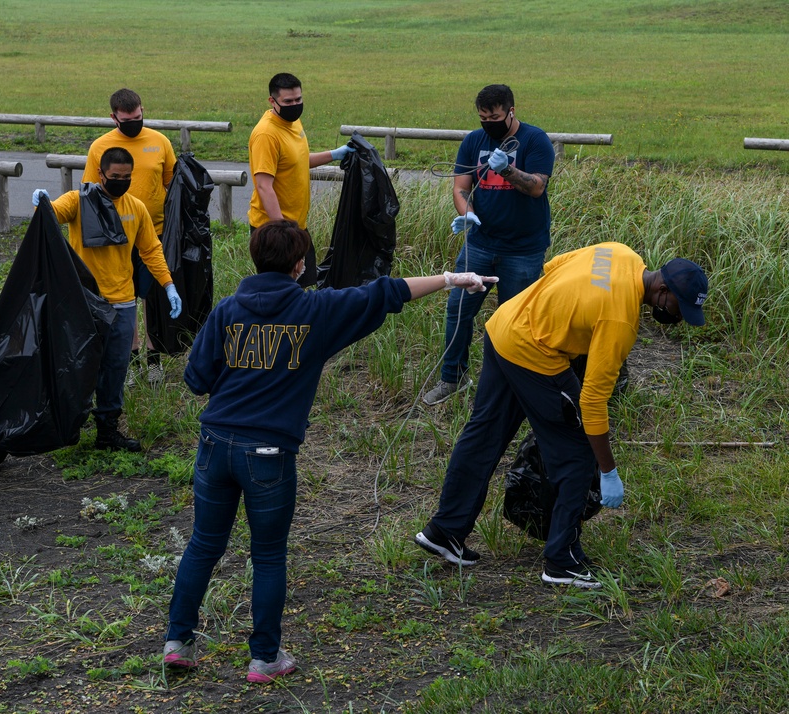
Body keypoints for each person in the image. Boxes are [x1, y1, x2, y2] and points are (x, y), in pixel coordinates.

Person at [163, 219, 497, 681]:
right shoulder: (316, 310)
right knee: (267, 555)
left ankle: (177, 642)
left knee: (203, 544)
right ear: (300, 265)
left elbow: (197, 379)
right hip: (269, 456)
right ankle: (264, 658)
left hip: (214, 444)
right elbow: (384, 293)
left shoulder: (227, 310)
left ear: (255, 258)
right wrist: (449, 279)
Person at [416, 242, 709, 588]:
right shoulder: (620, 318)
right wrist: (608, 470)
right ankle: (561, 561)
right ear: (662, 290)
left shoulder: (621, 253)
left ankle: (445, 530)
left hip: (506, 326)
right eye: (678, 309)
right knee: (578, 450)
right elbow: (594, 401)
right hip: (533, 352)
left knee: (484, 434)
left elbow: (555, 266)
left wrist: (569, 318)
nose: (677, 319)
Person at [33, 147, 182, 452]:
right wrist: (41, 205)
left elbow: (151, 250)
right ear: (100, 174)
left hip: (123, 303)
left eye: (127, 177)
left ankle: (107, 430)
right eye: (115, 177)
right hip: (85, 302)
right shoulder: (78, 202)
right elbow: (50, 217)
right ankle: (66, 424)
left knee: (115, 368)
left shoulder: (136, 208)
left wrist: (169, 285)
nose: (121, 182)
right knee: (79, 365)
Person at [423, 84, 556, 405]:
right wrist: (467, 214)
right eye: (483, 117)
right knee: (458, 311)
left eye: (494, 117)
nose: (488, 123)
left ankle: (510, 385)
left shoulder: (535, 141)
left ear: (511, 111)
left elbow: (537, 187)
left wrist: (507, 169)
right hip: (479, 244)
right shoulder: (473, 141)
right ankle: (453, 379)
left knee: (513, 320)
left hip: (523, 250)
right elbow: (460, 188)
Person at [83, 88, 177, 384]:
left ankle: (153, 359)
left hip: (154, 231)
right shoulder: (100, 147)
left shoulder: (160, 142)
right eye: (128, 119)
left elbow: (173, 185)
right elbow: (90, 193)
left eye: (138, 117)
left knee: (152, 297)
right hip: (116, 239)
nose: (135, 122)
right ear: (114, 118)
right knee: (126, 298)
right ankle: (130, 357)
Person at [247, 72, 355, 288]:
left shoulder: (293, 122)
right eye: (288, 101)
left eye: (298, 99)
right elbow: (263, 186)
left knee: (302, 287)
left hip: (296, 227)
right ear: (272, 101)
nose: (294, 105)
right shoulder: (266, 135)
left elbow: (298, 160)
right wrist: (284, 232)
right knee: (279, 293)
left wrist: (335, 154)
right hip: (274, 230)